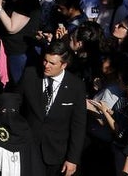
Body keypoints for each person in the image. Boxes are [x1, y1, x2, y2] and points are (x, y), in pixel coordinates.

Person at [17, 40, 87, 176]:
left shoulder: (76, 86)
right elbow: (15, 102)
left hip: (56, 153)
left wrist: (72, 159)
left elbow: (78, 125)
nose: (46, 66)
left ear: (64, 65)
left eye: (52, 63)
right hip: (28, 148)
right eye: (45, 60)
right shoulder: (31, 74)